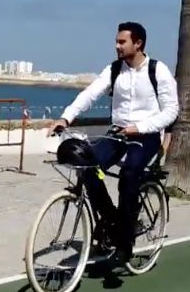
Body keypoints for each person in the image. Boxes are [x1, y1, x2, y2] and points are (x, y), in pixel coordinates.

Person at [48, 22, 179, 263]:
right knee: (88, 167)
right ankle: (112, 220)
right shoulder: (115, 69)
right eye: (116, 41)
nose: (116, 46)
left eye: (122, 42)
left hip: (145, 137)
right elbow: (90, 94)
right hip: (117, 134)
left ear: (138, 44)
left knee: (129, 176)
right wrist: (66, 118)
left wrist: (139, 127)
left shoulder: (157, 70)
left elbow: (171, 111)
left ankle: (125, 243)